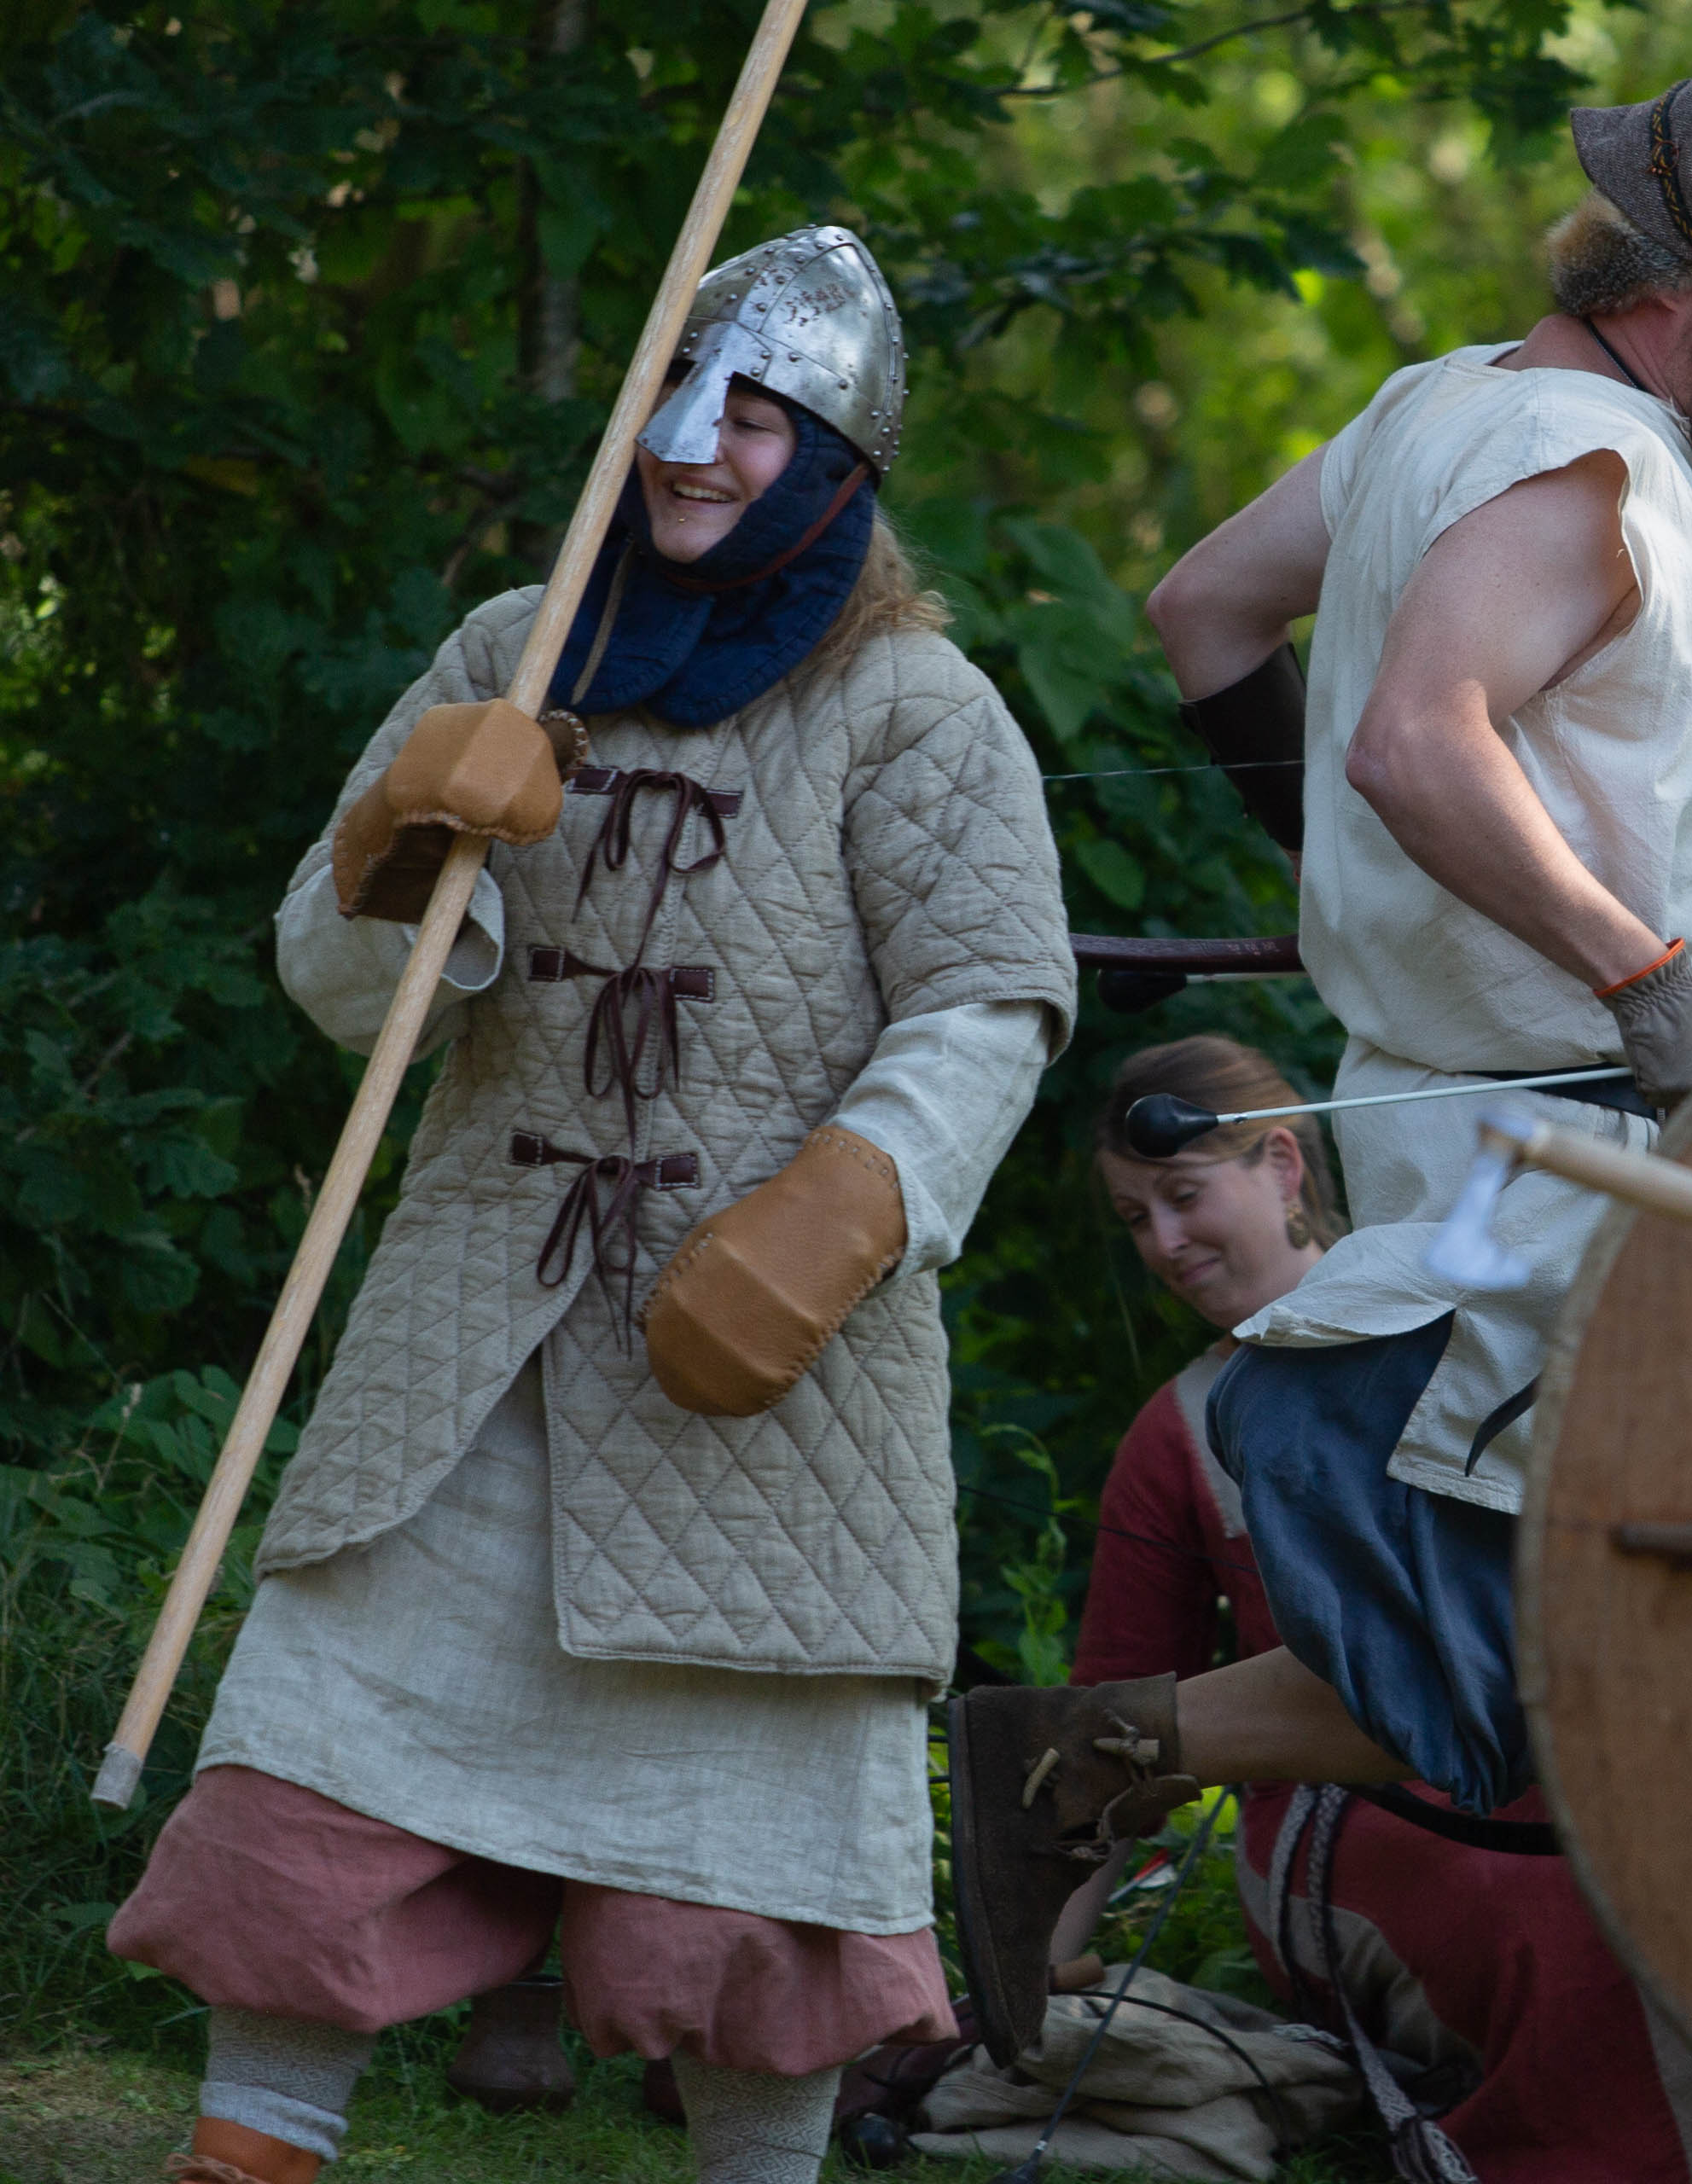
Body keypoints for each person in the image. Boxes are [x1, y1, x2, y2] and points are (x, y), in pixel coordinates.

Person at [947, 32, 1692, 2071]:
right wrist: (1650, 974)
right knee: (1536, 1644)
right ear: (1683, 282)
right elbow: (1411, 739)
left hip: (1466, 1126)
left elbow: (1204, 611)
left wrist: (1379, 883)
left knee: (1528, 1633)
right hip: (1560, 1153)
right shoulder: (1588, 459)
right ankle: (1078, 1762)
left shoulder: (1433, 407)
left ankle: (1084, 1754)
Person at [108, 226, 1079, 2184]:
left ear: (835, 460)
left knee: (749, 1898)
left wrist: (844, 1206)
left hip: (773, 1397)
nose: (694, 446)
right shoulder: (512, 647)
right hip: (471, 1352)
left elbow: (993, 999)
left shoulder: (917, 706)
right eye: (677, 401)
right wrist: (399, 852)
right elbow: (336, 984)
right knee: (319, 1792)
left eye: (757, 417)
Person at [1051, 1035, 1692, 2182]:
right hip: (1350, 1820)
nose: (1164, 1243)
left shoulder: (1495, 1338)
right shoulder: (1176, 1431)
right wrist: (1039, 1966)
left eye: (1182, 1196)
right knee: (1540, 1908)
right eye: (1137, 1219)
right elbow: (1100, 1725)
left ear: (1284, 1164)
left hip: (1572, 1769)